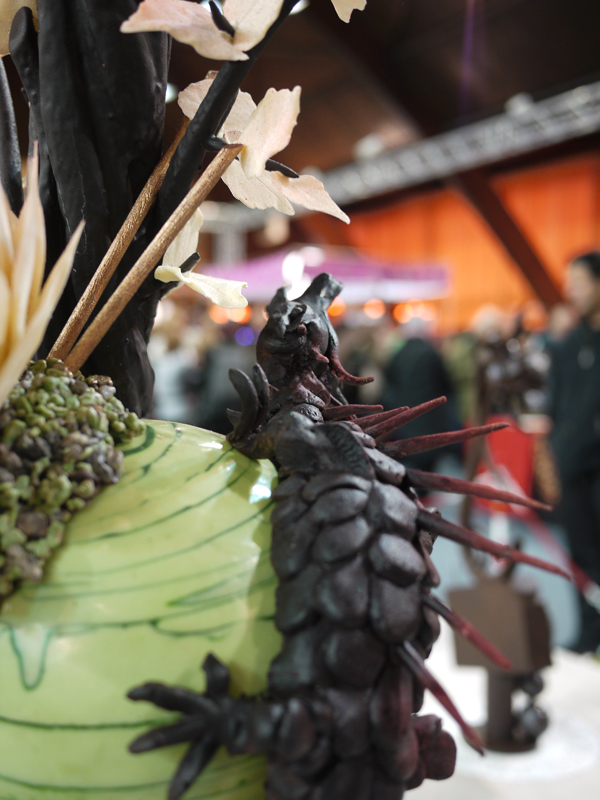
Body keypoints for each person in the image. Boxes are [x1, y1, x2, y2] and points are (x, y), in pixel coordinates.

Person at [548, 250, 600, 653]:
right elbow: (556, 407)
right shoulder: (568, 345)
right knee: (581, 557)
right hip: (573, 473)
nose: (571, 291)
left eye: (579, 282)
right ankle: (588, 635)